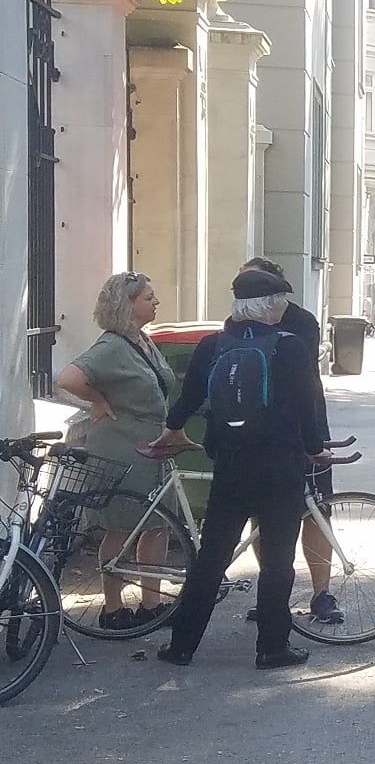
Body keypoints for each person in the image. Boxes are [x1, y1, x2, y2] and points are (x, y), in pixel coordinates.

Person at [150, 269, 328, 671]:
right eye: (282, 302)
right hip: (281, 464)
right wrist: (315, 449)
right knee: (280, 559)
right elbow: (308, 406)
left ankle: (182, 646)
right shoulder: (290, 346)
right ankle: (271, 648)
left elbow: (189, 397)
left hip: (230, 464)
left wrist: (170, 431)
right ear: (270, 306)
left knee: (212, 556)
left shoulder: (213, 344)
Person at [57, 272, 175, 630]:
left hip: (153, 445)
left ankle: (151, 605)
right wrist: (98, 399)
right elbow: (67, 378)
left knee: (157, 525)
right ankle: (112, 609)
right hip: (123, 446)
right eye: (148, 297)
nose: (155, 302)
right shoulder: (111, 346)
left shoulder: (142, 340)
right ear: (127, 305)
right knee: (122, 525)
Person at [240, 257, 341, 625]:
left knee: (316, 508)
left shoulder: (299, 321)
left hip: (303, 423)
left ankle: (321, 592)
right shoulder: (237, 322)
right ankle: (273, 590)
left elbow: (298, 378)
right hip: (256, 430)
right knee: (261, 513)